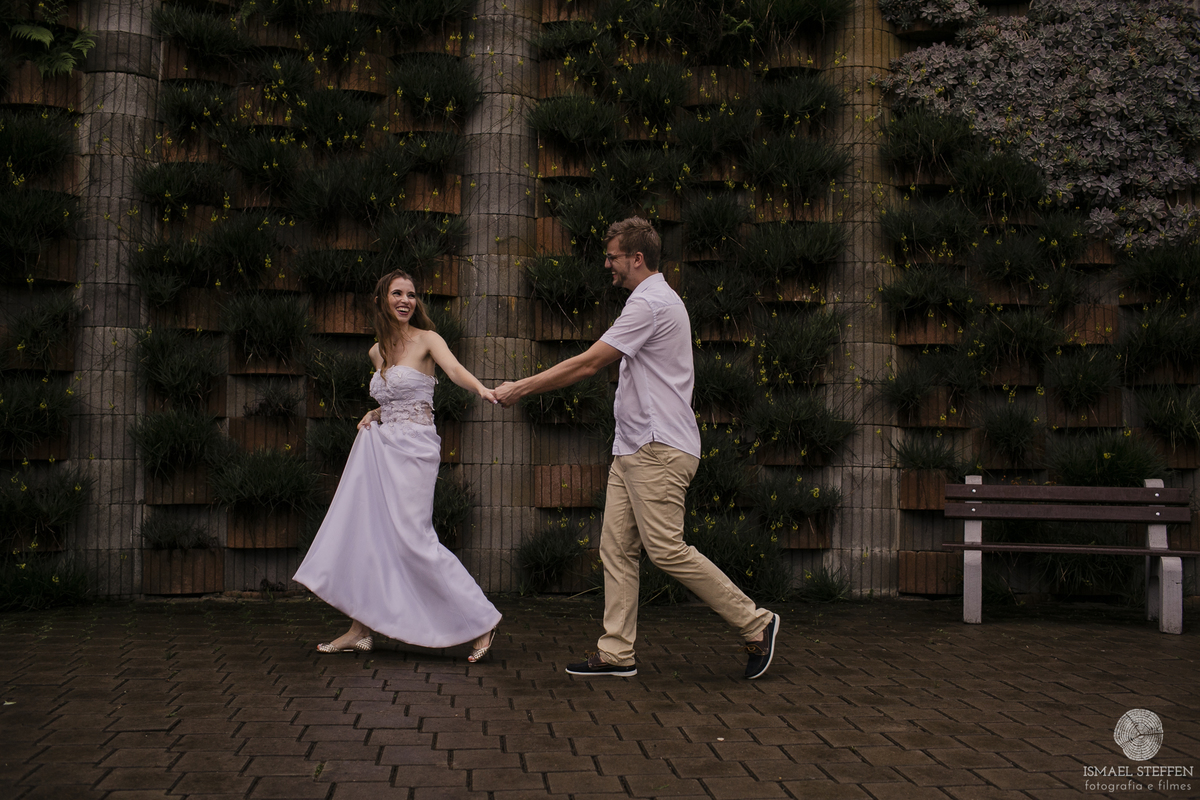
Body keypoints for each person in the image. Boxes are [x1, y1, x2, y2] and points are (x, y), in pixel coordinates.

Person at [494, 217, 780, 680]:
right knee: (617, 549)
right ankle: (616, 653)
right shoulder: (649, 301)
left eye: (612, 257)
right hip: (633, 449)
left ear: (636, 258)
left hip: (657, 449)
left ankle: (756, 622)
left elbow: (588, 363)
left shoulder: (649, 304)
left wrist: (520, 388)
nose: (607, 264)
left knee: (665, 549)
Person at [294, 269, 501, 662]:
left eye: (411, 294)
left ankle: (482, 619)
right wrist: (375, 412)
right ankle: (360, 628)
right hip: (380, 447)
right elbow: (394, 399)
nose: (406, 300)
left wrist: (482, 389)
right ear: (382, 300)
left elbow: (453, 372)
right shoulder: (377, 351)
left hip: (416, 449)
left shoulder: (428, 340)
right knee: (368, 534)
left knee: (414, 539)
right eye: (397, 293)